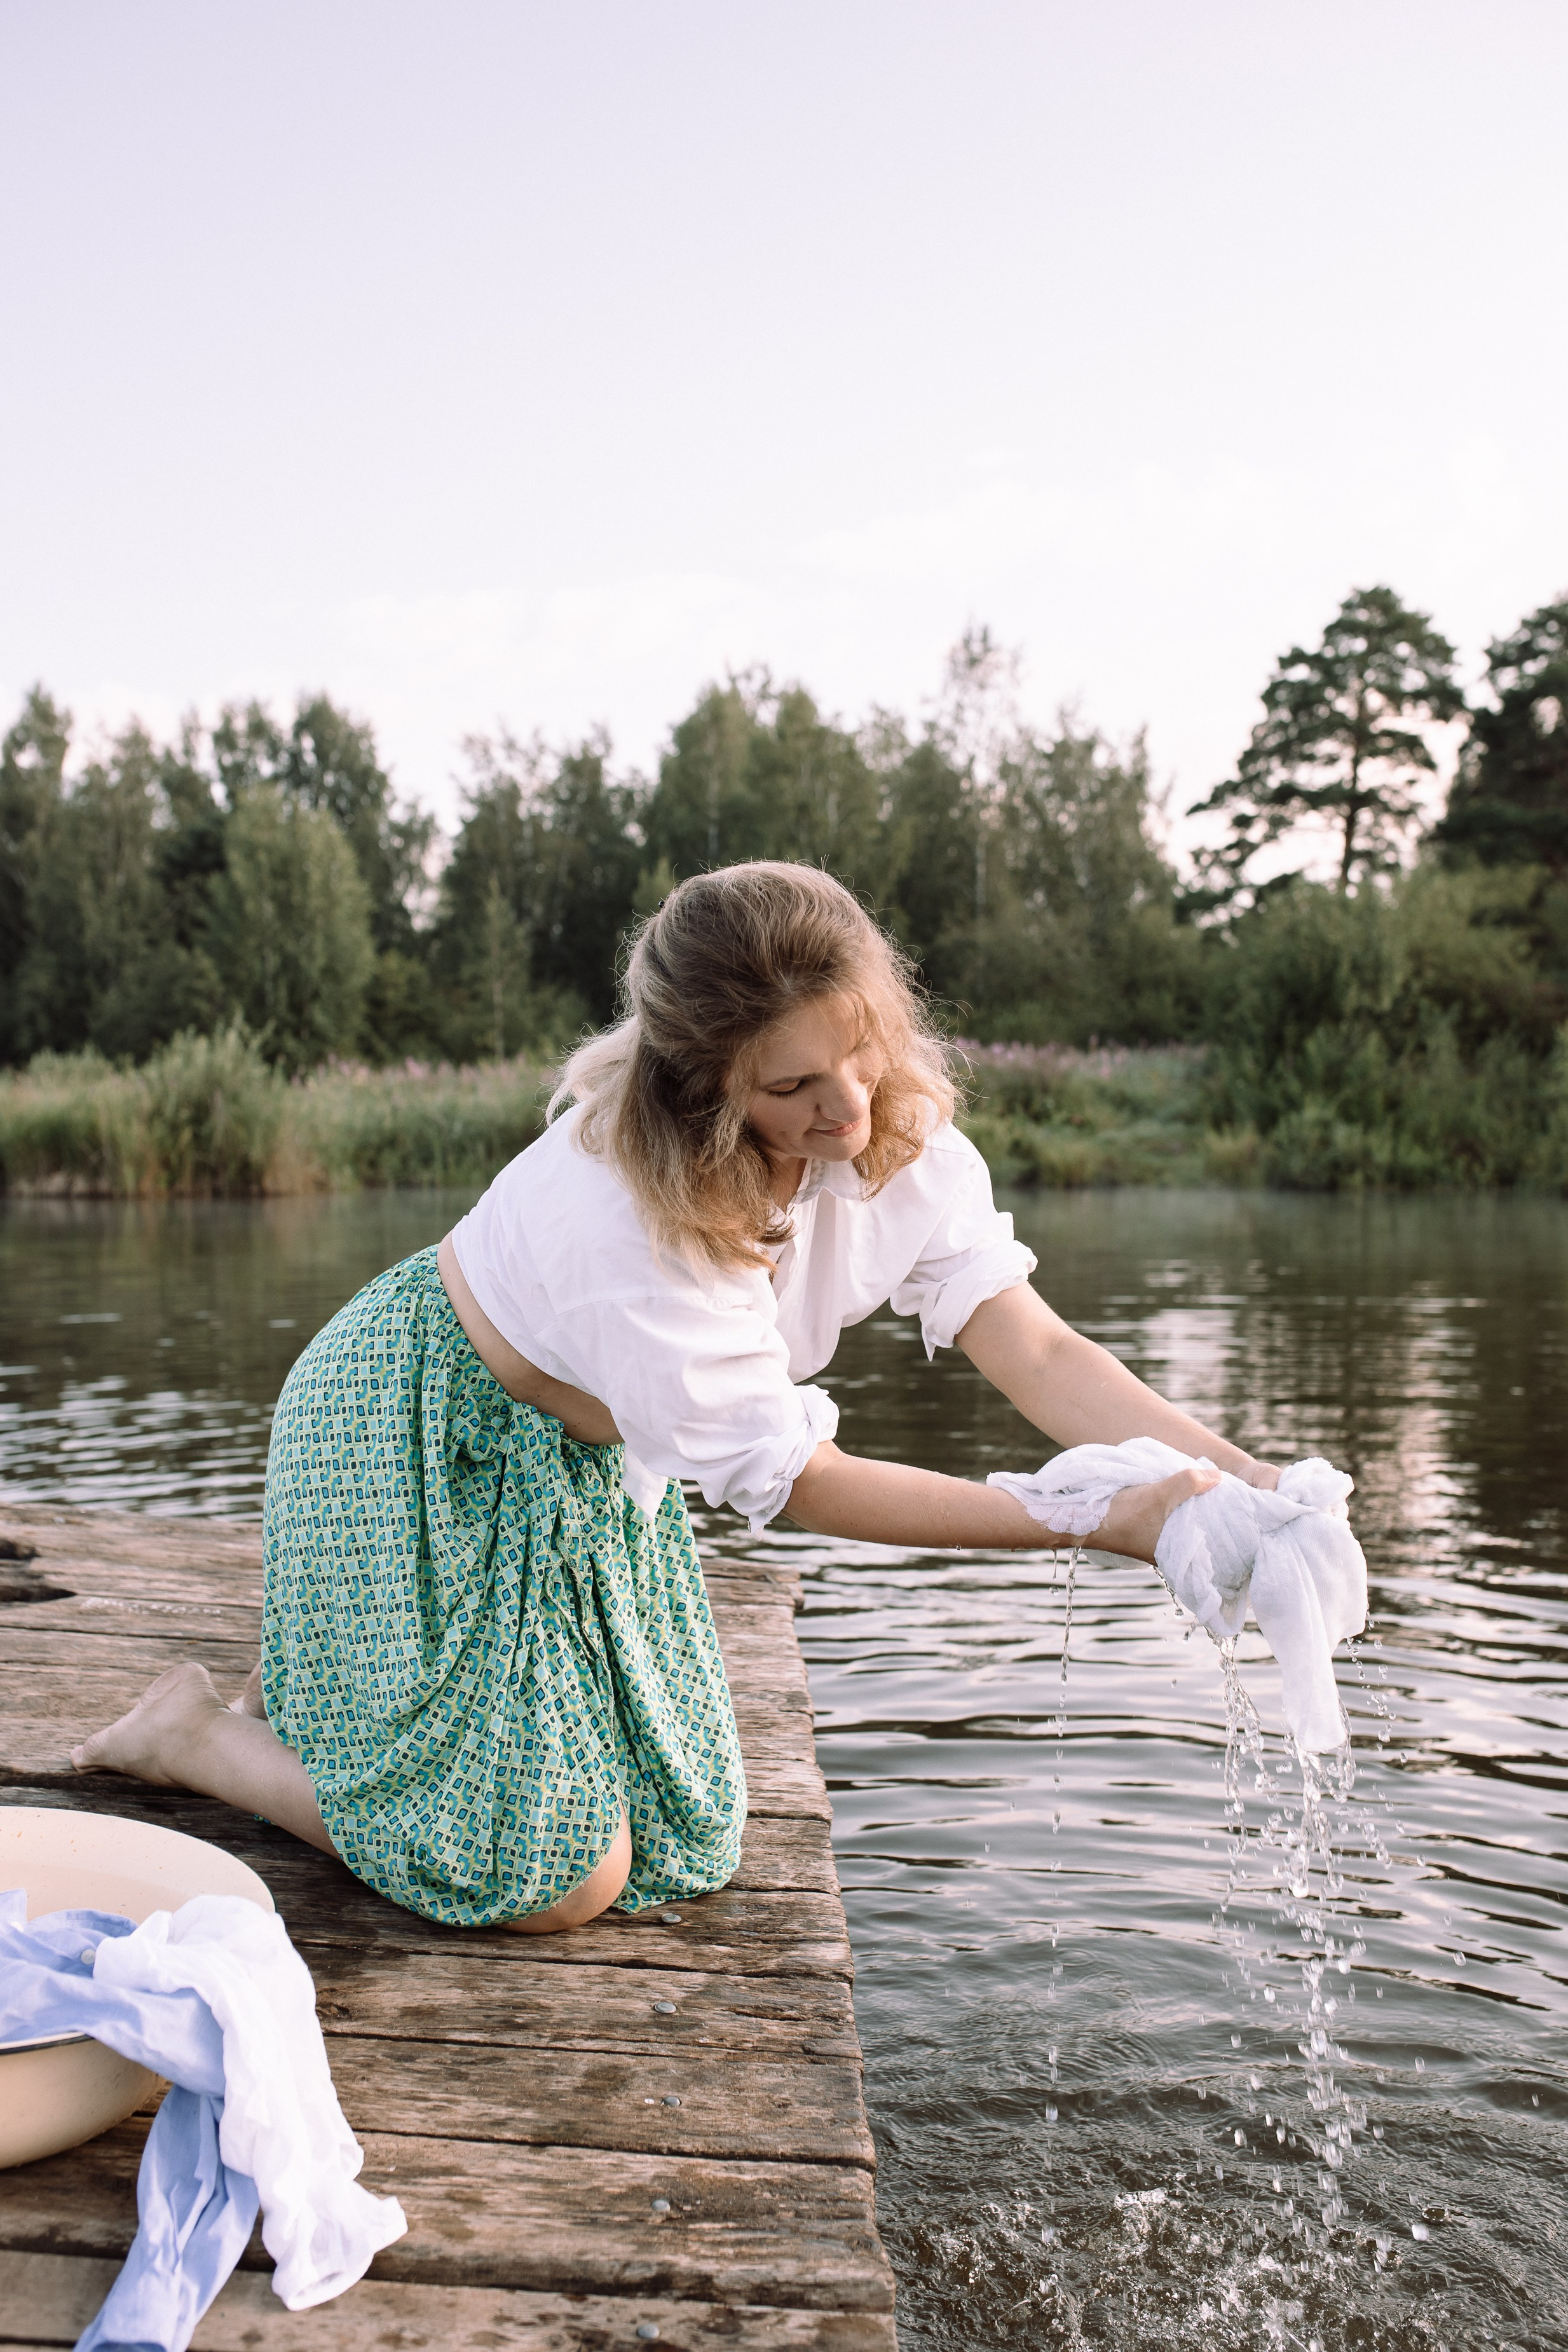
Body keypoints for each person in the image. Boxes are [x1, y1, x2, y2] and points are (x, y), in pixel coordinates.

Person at [74, 863, 1278, 1932]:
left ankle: (336, 1705)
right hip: (411, 1425)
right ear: (705, 1083)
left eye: (863, 1052)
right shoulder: (632, 1214)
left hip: (592, 1462)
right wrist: (1087, 1518)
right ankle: (202, 1740)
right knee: (555, 1874)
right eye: (796, 1082)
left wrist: (1241, 1484)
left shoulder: (893, 1139)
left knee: (685, 1832)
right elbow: (794, 1481)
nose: (848, 1109)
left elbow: (1037, 1349)